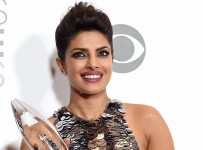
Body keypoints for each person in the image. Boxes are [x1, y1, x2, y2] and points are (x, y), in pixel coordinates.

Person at [20, 1, 174, 150]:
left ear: (111, 59)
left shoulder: (147, 120)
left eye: (102, 53)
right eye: (80, 54)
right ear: (62, 65)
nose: (93, 64)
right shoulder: (40, 137)